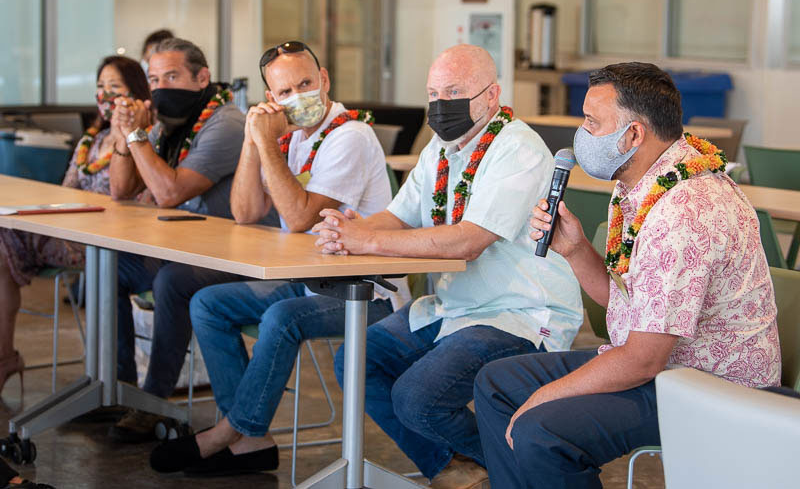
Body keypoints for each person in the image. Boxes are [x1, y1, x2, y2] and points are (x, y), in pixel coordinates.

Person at [473, 62, 782, 489]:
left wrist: (542, 397)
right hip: (662, 363)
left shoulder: (684, 211)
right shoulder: (640, 179)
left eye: (591, 122)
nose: (581, 134)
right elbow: (628, 307)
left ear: (633, 134)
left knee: (541, 428)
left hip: (708, 388)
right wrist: (577, 250)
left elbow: (642, 359)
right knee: (498, 383)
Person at [314, 44, 583, 489]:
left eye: (454, 91)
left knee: (417, 399)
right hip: (453, 308)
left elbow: (471, 240)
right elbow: (399, 216)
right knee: (358, 361)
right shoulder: (440, 149)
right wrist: (345, 229)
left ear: (491, 96)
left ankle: (536, 471)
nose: (441, 106)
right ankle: (457, 470)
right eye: (433, 93)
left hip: (518, 313)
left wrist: (369, 239)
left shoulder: (517, 148)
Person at [148, 41, 397, 477]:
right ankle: (253, 443)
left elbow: (300, 217)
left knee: (282, 318)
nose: (299, 96)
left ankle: (229, 431)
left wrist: (268, 147)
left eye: (306, 83)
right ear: (272, 100)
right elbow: (245, 212)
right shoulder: (292, 137)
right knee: (208, 304)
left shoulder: (350, 135)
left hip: (364, 290)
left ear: (325, 81)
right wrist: (253, 140)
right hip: (307, 280)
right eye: (286, 91)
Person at [107, 37, 251, 442]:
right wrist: (124, 136)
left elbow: (170, 192)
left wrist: (137, 137)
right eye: (153, 79)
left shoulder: (226, 123)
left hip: (232, 252)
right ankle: (119, 389)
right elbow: (121, 190)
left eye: (171, 76)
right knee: (110, 268)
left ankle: (151, 401)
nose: (160, 87)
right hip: (183, 243)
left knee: (173, 281)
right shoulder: (167, 124)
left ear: (202, 77)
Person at [0, 56, 150, 394]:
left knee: (3, 245)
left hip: (115, 241)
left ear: (137, 93)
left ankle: (8, 360)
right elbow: (68, 189)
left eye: (115, 87)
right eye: (100, 87)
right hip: (74, 232)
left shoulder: (143, 136)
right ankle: (5, 355)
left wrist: (125, 134)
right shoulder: (92, 141)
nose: (106, 94)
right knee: (2, 241)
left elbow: (126, 196)